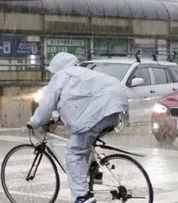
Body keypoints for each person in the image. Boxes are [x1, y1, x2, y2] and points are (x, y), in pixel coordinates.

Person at [27, 52, 128, 203]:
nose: (53, 75)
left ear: (58, 67)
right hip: (114, 111)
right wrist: (58, 119)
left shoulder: (62, 76)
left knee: (73, 152)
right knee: (84, 140)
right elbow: (79, 103)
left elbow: (47, 104)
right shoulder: (84, 74)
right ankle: (94, 170)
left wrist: (35, 122)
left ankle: (82, 196)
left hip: (97, 112)